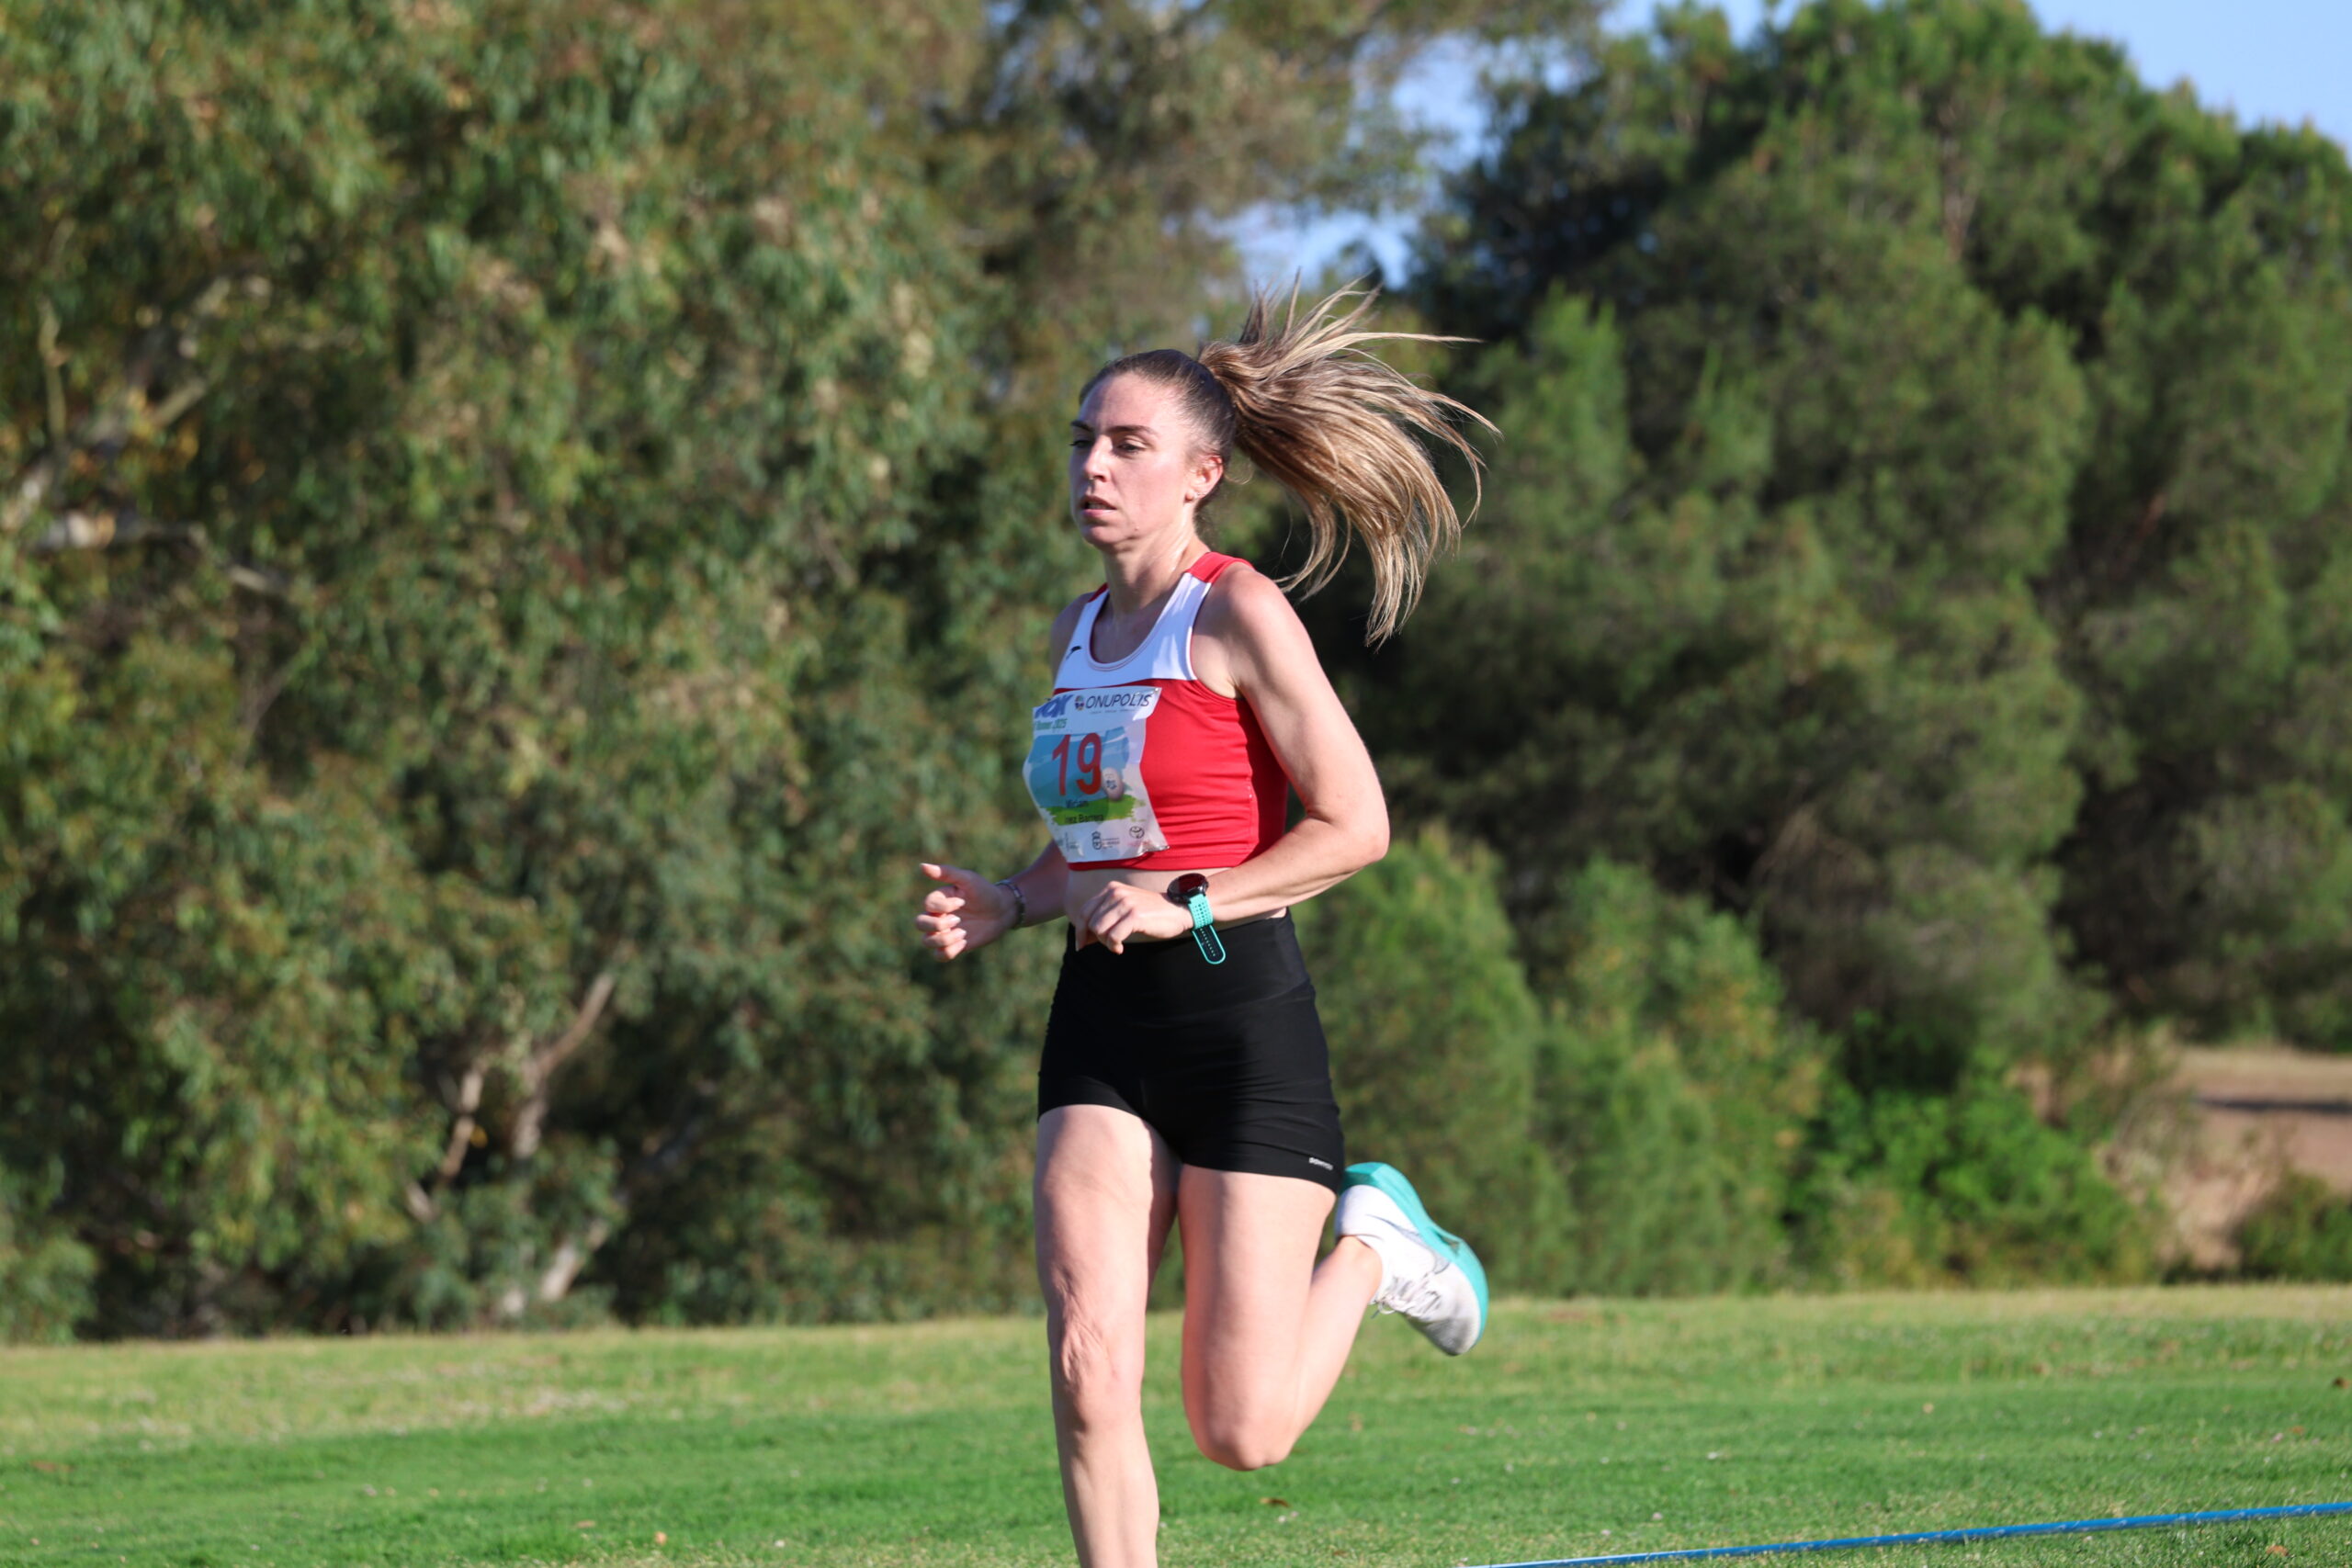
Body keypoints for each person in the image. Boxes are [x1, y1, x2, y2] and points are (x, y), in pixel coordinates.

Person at [914, 285, 1493, 1568]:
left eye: (1127, 445)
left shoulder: (1238, 611)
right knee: (1087, 1366)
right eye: (1083, 441)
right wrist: (1015, 899)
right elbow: (1100, 850)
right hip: (1101, 1029)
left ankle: (1376, 1249)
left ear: (1201, 475)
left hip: (1238, 1024)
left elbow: (1355, 826)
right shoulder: (1075, 632)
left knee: (1242, 1431)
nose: (1094, 466)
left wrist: (1192, 903)